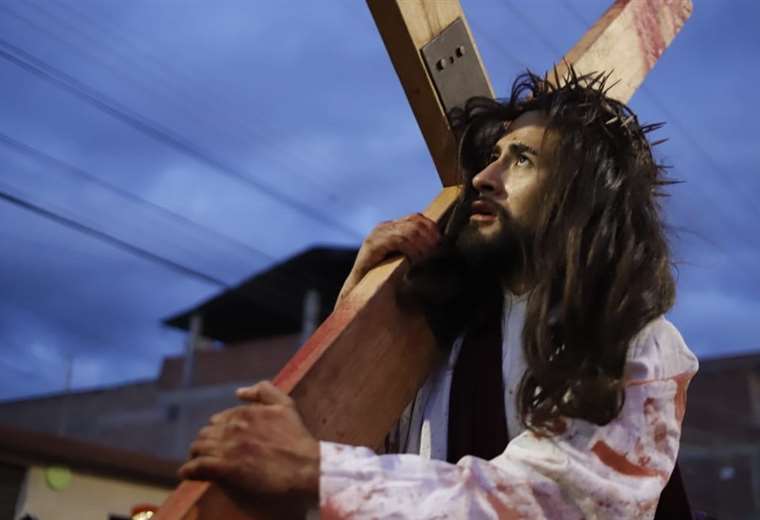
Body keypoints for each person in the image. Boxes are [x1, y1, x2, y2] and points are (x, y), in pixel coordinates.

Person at [179, 70, 699, 519]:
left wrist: (314, 470)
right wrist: (359, 309)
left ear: (582, 199)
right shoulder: (440, 345)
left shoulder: (638, 346)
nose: (483, 178)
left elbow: (554, 502)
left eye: (521, 161)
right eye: (491, 157)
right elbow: (372, 475)